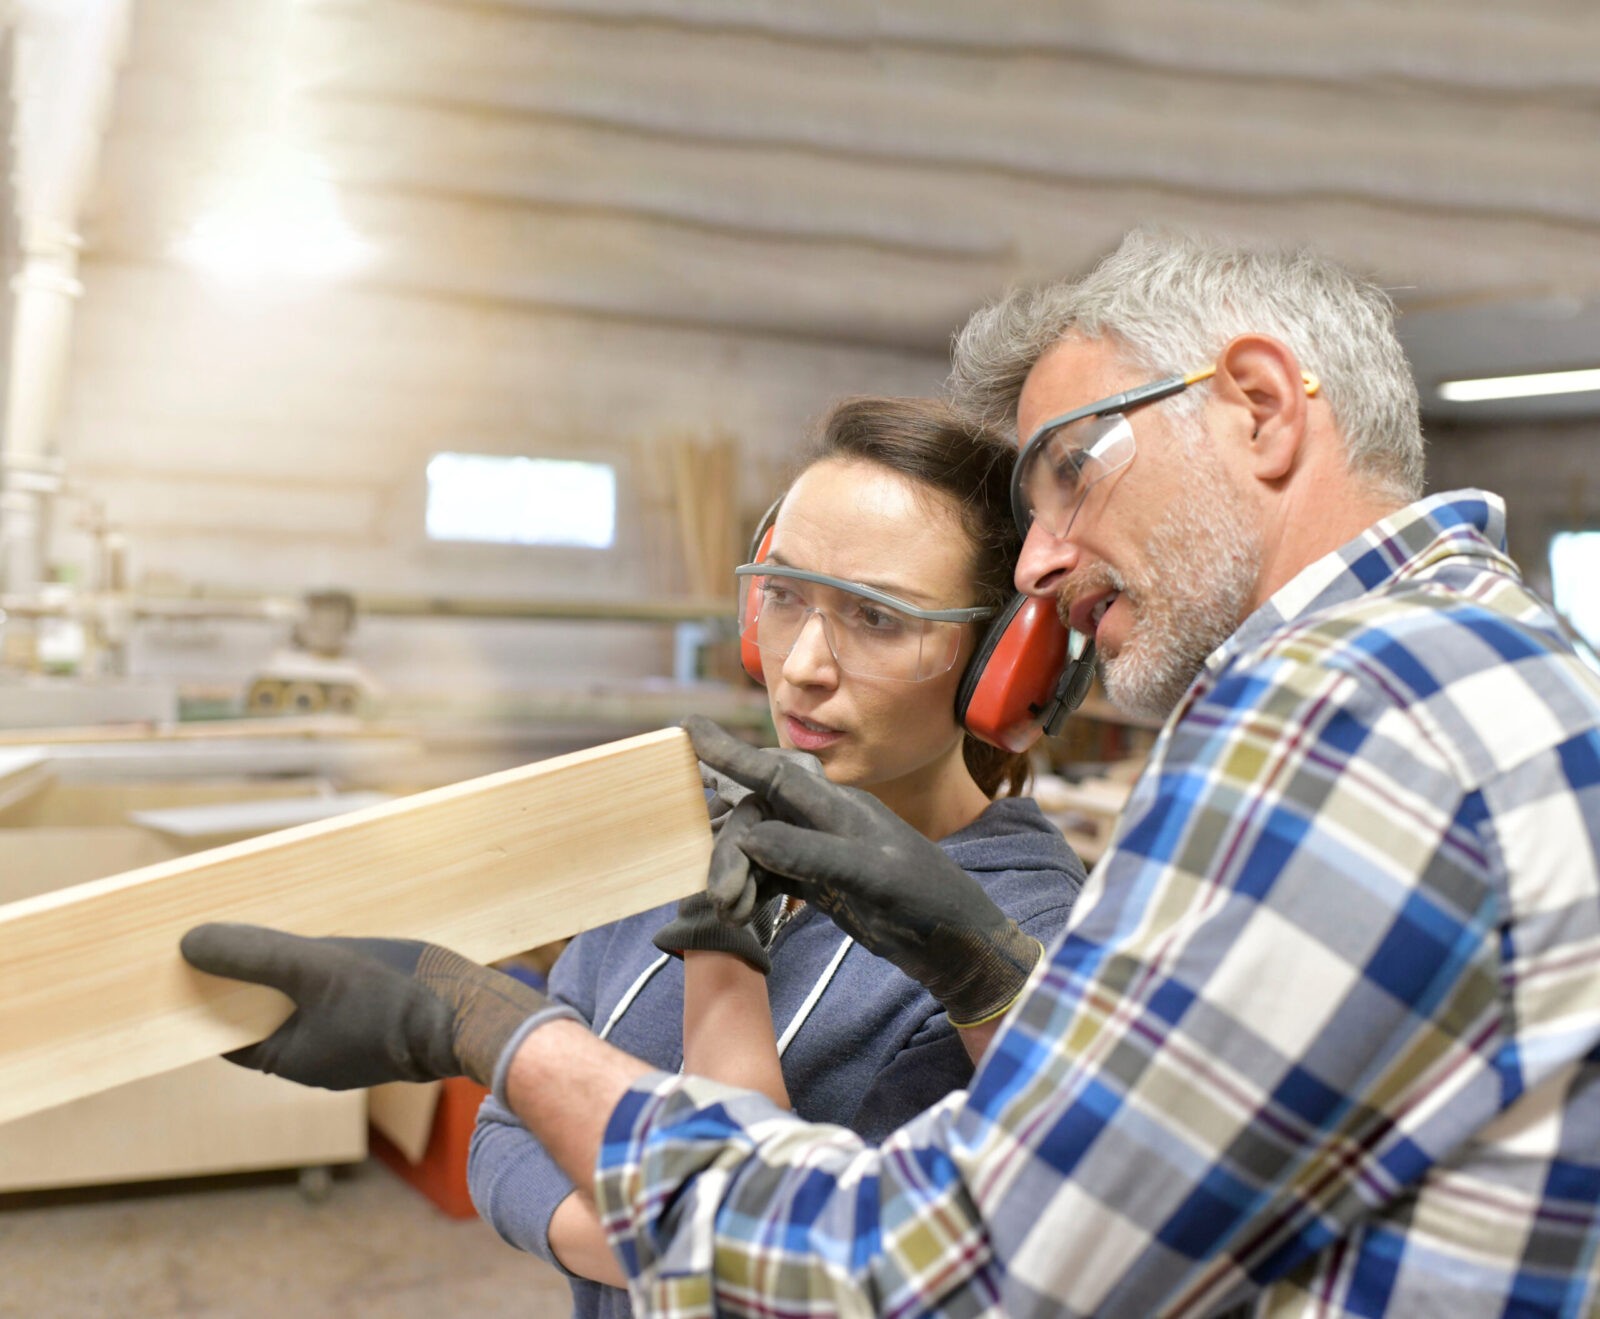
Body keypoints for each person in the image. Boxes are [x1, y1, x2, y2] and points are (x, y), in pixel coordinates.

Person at [181, 230, 1600, 1317]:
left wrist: (483, 1022)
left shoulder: (1350, 715)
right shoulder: (1460, 663)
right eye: (787, 596)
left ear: (1259, 407)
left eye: (1073, 471)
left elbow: (946, 1271)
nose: (1050, 559)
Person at [455, 397, 1095, 1315]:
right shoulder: (692, 819)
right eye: (785, 594)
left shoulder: (1018, 942)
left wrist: (723, 964)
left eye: (877, 619)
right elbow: (503, 1129)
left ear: (998, 661)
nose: (800, 666)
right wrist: (663, 1247)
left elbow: (832, 1274)